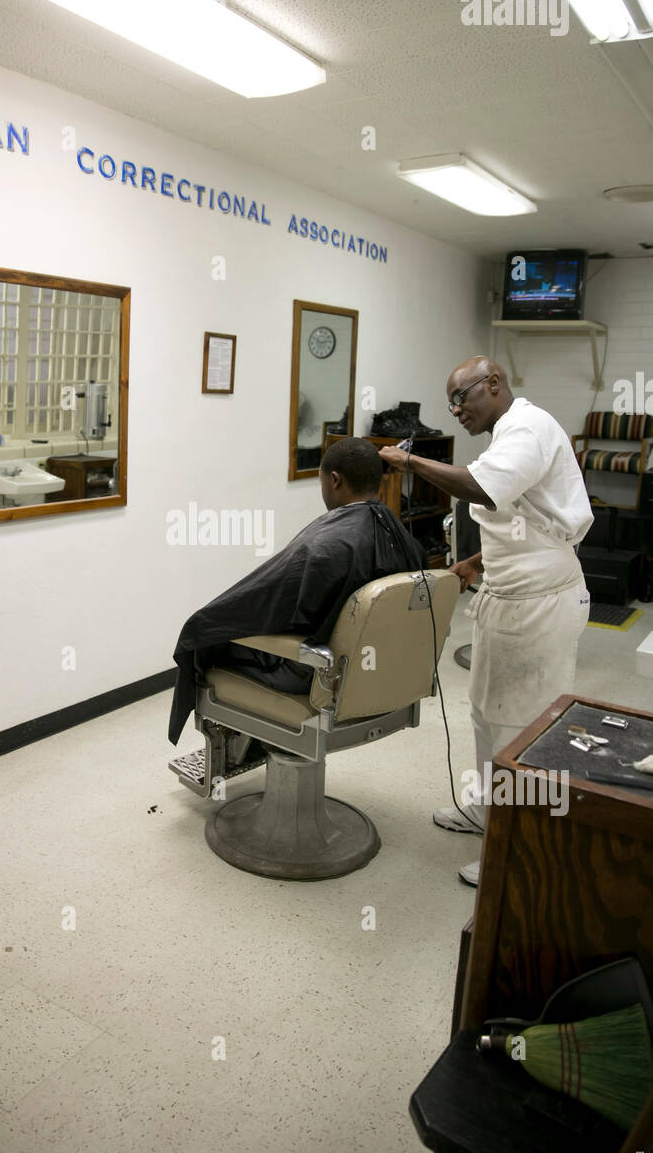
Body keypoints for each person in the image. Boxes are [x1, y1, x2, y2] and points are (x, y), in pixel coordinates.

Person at [380, 357, 592, 887]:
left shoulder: (529, 427)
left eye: (461, 398)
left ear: (493, 383)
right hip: (506, 594)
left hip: (540, 602)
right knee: (484, 712)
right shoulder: (504, 436)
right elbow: (522, 520)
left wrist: (410, 465)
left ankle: (517, 846)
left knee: (521, 726)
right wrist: (477, 564)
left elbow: (482, 489)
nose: (455, 411)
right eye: (450, 402)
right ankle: (486, 810)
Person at [168, 437, 425, 745]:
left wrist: (204, 625)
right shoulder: (406, 540)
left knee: (207, 639)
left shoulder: (325, 548)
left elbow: (270, 607)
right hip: (379, 674)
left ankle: (249, 739)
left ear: (334, 480)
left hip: (313, 674)